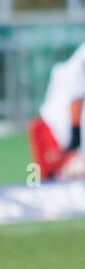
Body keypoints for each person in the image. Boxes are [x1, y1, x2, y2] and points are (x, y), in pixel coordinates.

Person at [27, 42, 85, 181]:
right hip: (54, 130)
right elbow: (75, 101)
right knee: (50, 178)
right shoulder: (75, 70)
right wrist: (73, 143)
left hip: (55, 128)